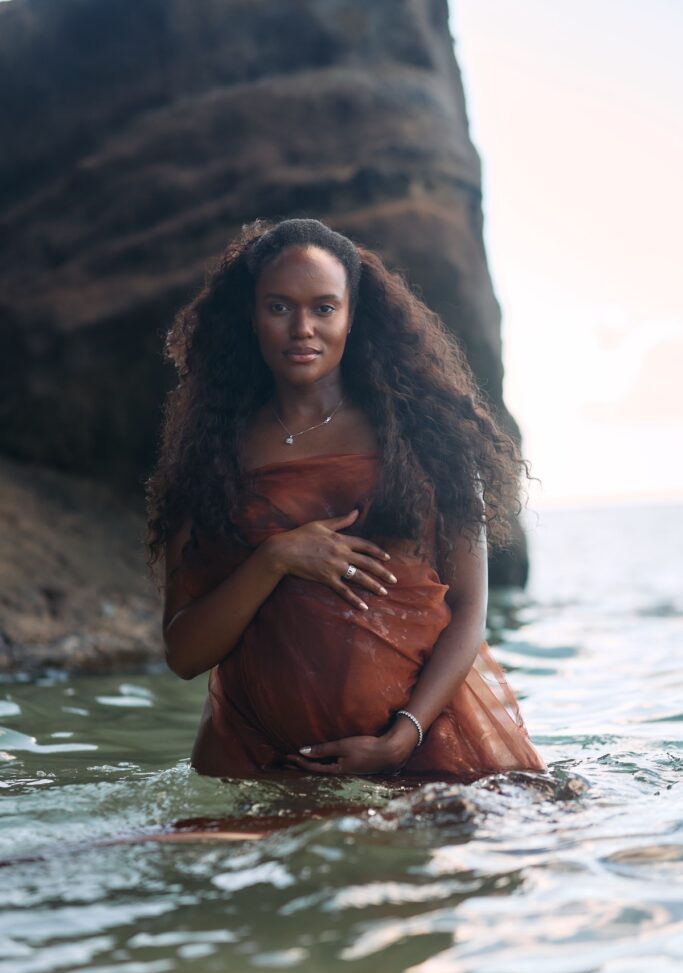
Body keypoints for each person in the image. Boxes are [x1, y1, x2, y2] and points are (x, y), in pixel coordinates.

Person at [145, 217, 546, 781]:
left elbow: (469, 610)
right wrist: (276, 558)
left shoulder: (428, 436)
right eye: (279, 307)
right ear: (250, 317)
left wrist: (402, 737)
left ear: (353, 317)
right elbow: (184, 655)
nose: (301, 328)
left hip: (419, 758)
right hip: (257, 764)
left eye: (324, 308)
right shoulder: (210, 457)